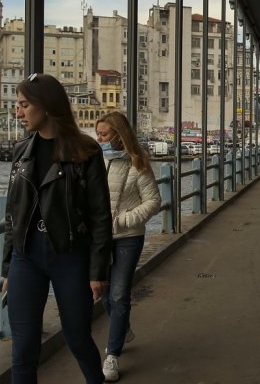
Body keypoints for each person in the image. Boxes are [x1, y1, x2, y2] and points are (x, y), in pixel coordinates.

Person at [2, 73, 113, 384]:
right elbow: (13, 214)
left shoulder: (85, 151)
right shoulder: (21, 151)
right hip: (27, 258)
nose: (18, 113)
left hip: (70, 256)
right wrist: (8, 267)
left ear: (46, 106)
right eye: (17, 106)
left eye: (24, 105)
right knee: (23, 350)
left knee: (77, 338)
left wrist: (98, 270)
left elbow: (100, 215)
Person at [95, 111, 162, 382]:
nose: (99, 139)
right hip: (99, 238)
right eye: (97, 134)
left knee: (119, 294)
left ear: (119, 136)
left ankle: (112, 354)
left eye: (104, 135)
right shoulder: (96, 161)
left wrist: (124, 220)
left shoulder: (138, 164)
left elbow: (153, 201)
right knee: (103, 292)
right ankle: (123, 329)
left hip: (128, 237)